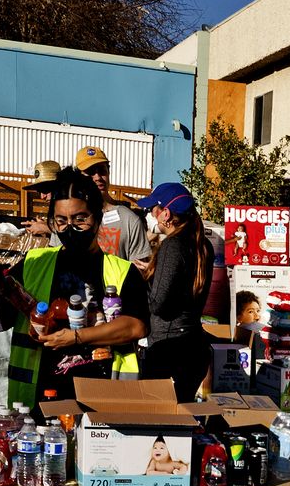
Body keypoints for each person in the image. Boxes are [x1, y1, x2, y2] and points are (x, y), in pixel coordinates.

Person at [23, 171, 151, 391]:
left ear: (98, 218)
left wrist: (75, 337)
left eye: (80, 219)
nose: (70, 228)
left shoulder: (122, 270)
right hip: (44, 391)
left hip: (105, 391)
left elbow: (136, 326)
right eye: (61, 221)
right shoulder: (33, 264)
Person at [135, 183, 216, 402]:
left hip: (168, 347)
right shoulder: (202, 244)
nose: (151, 215)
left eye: (152, 210)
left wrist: (141, 283)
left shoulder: (173, 245)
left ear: (166, 214)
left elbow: (159, 304)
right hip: (194, 344)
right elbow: (184, 285)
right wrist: (154, 274)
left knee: (158, 421)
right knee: (183, 422)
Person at [71, 146, 155, 278]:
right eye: (90, 172)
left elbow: (141, 272)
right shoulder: (69, 217)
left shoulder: (129, 220)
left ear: (108, 173)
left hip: (114, 297)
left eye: (102, 171)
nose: (97, 177)